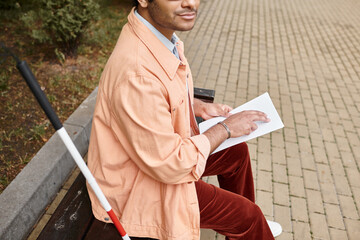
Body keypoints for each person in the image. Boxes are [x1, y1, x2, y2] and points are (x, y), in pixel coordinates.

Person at [87, 0, 282, 239]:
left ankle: (247, 230)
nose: (190, 3)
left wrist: (196, 106)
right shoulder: (137, 73)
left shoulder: (158, 36)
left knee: (235, 153)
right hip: (136, 189)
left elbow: (157, 99)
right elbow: (171, 163)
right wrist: (225, 129)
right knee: (248, 216)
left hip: (151, 163)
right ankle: (250, 226)